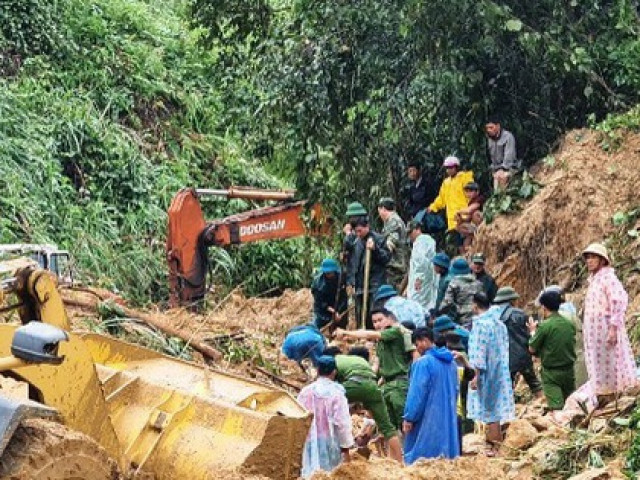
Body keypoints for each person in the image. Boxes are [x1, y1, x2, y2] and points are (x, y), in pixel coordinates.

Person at [335, 308, 416, 432]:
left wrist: (347, 332)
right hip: (386, 385)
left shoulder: (395, 332)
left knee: (404, 423)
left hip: (399, 383)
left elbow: (369, 334)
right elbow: (376, 366)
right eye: (374, 322)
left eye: (380, 320)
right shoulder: (380, 343)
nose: (377, 324)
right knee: (390, 427)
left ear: (389, 319)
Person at [323, 346, 404, 463]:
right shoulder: (355, 359)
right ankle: (400, 462)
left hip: (354, 384)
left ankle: (340, 455)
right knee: (387, 427)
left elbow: (333, 388)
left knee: (330, 411)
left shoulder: (333, 362)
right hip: (373, 386)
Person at [582, 243, 638, 401]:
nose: (589, 261)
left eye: (593, 257)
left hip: (605, 327)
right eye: (588, 258)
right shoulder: (594, 280)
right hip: (595, 331)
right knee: (597, 363)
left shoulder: (608, 278)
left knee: (610, 361)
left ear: (602, 260)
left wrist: (613, 327)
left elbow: (619, 301)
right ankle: (601, 393)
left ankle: (613, 393)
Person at [467, 292, 515, 455]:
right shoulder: (499, 324)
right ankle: (499, 442)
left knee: (489, 409)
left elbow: (478, 352)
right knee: (498, 406)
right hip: (500, 369)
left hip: (486, 372)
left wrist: (475, 375)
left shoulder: (480, 325)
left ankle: (495, 446)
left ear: (475, 305)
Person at [402, 327, 460, 464]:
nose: (417, 349)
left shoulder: (423, 363)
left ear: (423, 341)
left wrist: (409, 417)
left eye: (416, 344)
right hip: (447, 416)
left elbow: (417, 393)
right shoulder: (451, 363)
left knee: (422, 459)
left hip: (428, 417)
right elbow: (456, 390)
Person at [298, 356, 355, 478]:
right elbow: (342, 422)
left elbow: (297, 416)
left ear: (317, 370)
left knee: (309, 471)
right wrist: (346, 446)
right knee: (329, 473)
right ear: (334, 371)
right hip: (330, 440)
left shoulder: (306, 392)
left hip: (309, 439)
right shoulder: (337, 393)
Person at [527, 290, 576, 410]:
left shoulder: (545, 326)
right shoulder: (568, 323)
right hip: (569, 370)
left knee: (556, 407)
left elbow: (532, 348)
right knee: (571, 405)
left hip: (551, 373)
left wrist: (533, 332)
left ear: (544, 307)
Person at [493, 286, 543, 399]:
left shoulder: (493, 316)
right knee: (533, 382)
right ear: (511, 300)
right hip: (522, 355)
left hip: (503, 356)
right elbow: (528, 334)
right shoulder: (519, 314)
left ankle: (508, 411)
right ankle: (543, 403)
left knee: (506, 386)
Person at [346, 216, 392, 329]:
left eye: (360, 231)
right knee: (360, 313)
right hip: (360, 284)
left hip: (375, 283)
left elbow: (386, 258)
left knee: (374, 313)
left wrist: (375, 249)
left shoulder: (379, 239)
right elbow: (352, 263)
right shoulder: (356, 241)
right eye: (356, 231)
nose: (358, 233)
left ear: (367, 227)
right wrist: (351, 281)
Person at [427, 156, 474, 255]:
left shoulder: (464, 178)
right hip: (452, 220)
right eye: (447, 168)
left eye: (451, 168)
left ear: (456, 167)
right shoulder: (446, 183)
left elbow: (471, 194)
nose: (449, 170)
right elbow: (441, 199)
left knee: (467, 243)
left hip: (464, 217)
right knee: (459, 245)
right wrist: (433, 207)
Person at [438, 257, 483, 328]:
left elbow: (447, 303)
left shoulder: (454, 284)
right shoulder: (478, 283)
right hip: (477, 318)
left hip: (461, 320)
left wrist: (439, 313)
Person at [377, 197, 409, 290]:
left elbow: (391, 243)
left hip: (396, 267)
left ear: (383, 209)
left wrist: (379, 252)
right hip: (395, 266)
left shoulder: (393, 222)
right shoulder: (390, 221)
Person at [407, 220, 438, 312]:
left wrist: (419, 278)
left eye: (410, 232)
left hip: (421, 278)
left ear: (417, 229)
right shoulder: (427, 240)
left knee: (417, 303)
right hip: (426, 277)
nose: (409, 236)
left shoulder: (421, 241)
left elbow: (420, 261)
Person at [311, 258, 348, 330]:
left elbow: (343, 297)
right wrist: (333, 312)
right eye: (327, 273)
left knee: (340, 327)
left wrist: (339, 312)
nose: (329, 275)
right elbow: (320, 303)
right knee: (317, 327)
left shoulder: (341, 278)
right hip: (323, 310)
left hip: (338, 306)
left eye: (331, 272)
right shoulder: (318, 284)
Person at [485, 117, 520, 191]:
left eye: (491, 127)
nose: (489, 130)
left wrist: (503, 169)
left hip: (510, 167)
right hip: (496, 168)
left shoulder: (508, 137)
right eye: (487, 128)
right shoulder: (489, 140)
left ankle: (502, 197)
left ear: (498, 126)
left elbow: (509, 155)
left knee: (501, 177)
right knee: (495, 178)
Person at [455, 182, 486, 252]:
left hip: (482, 224)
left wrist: (458, 211)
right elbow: (468, 218)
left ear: (477, 192)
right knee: (458, 230)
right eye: (467, 192)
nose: (468, 194)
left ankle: (475, 232)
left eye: (471, 191)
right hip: (472, 226)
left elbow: (469, 211)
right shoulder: (470, 202)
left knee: (476, 214)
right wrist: (460, 219)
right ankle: (465, 253)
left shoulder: (479, 199)